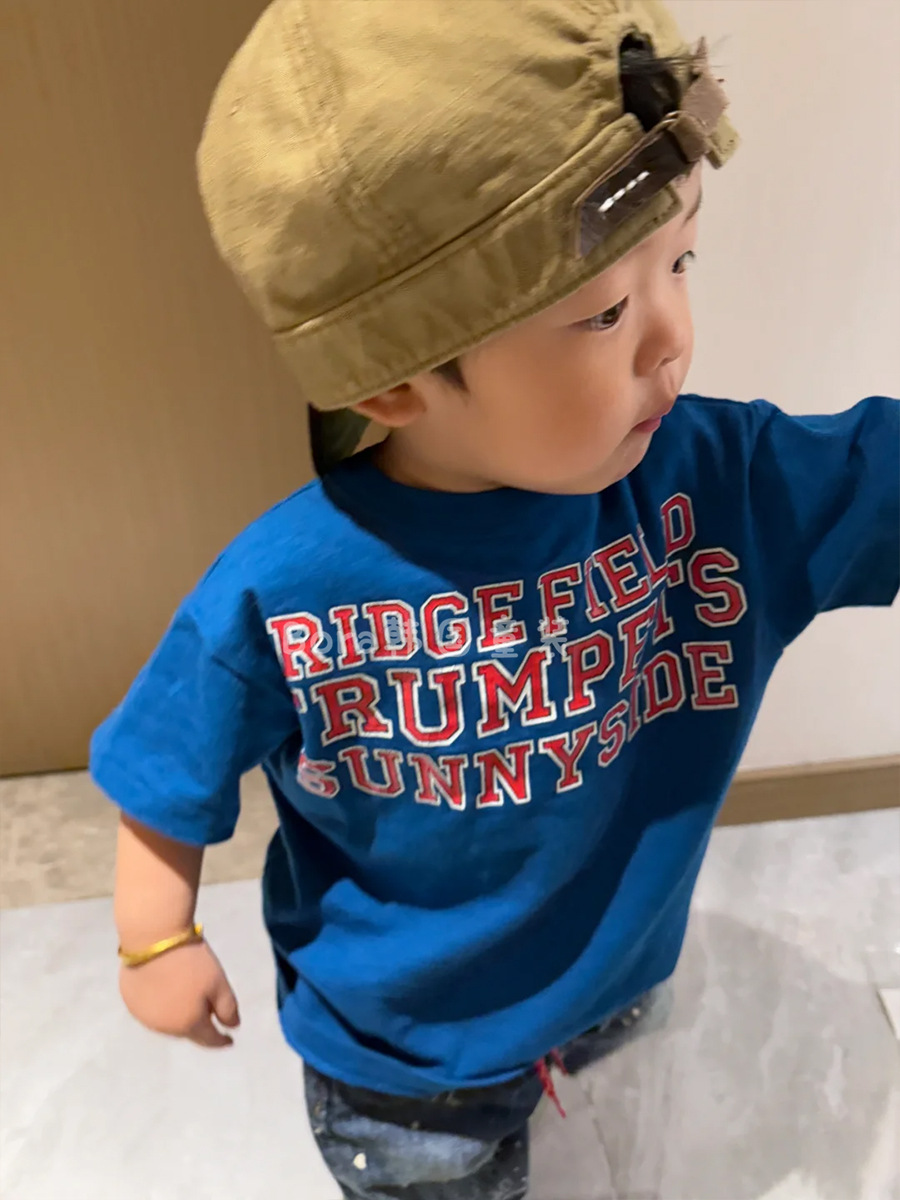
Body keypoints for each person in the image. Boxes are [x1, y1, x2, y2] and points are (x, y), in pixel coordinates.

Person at [90, 2, 900, 1197]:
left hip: (609, 977)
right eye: (604, 313)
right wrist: (155, 938)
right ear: (393, 382)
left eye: (681, 261)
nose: (671, 341)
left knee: (604, 1087)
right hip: (401, 1060)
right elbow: (168, 768)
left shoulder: (720, 487)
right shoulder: (287, 585)